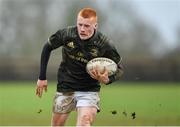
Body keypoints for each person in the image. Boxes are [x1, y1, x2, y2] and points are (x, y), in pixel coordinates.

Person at [36, 7, 123, 126]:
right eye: (80, 24)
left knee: (84, 122)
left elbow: (120, 68)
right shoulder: (66, 34)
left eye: (87, 26)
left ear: (95, 26)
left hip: (89, 90)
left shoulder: (104, 43)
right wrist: (42, 77)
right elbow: (47, 47)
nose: (82, 29)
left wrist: (107, 79)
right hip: (66, 86)